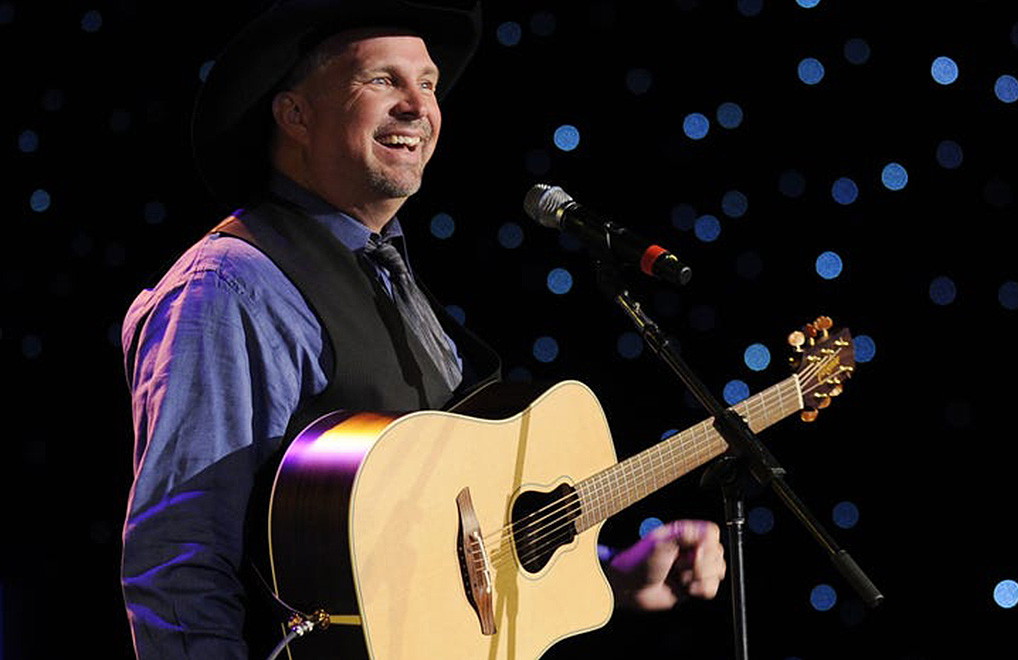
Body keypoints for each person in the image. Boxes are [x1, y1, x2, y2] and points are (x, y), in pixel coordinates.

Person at [120, 1, 726, 658]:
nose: (418, 105)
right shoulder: (229, 285)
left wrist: (609, 568)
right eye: (382, 79)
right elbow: (178, 563)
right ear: (295, 114)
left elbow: (446, 535)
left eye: (429, 83)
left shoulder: (395, 278)